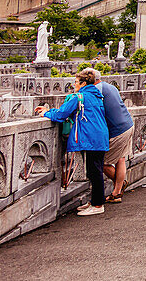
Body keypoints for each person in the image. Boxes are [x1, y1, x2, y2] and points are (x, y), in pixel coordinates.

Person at [37, 69, 109, 216]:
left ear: (83, 83)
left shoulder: (79, 96)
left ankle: (97, 205)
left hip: (91, 137)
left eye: (76, 82)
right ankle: (95, 201)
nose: (74, 85)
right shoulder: (96, 96)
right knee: (95, 169)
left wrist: (46, 113)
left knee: (94, 171)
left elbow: (62, 114)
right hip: (100, 135)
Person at [90, 69, 133, 204]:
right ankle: (117, 191)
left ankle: (119, 187)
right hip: (127, 124)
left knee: (100, 162)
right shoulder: (110, 87)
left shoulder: (97, 90)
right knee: (120, 159)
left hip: (117, 130)